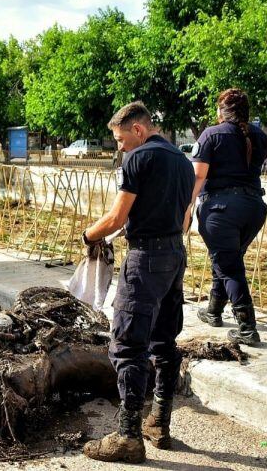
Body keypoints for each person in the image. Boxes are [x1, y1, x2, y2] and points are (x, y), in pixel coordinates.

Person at [81, 102, 194, 463]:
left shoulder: (138, 159)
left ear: (139, 130)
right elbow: (186, 217)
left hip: (145, 259)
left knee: (129, 344)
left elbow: (116, 217)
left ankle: (128, 436)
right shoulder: (182, 161)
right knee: (165, 340)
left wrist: (88, 235)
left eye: (120, 138)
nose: (119, 146)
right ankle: (159, 422)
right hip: (175, 255)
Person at [189, 88, 267, 346]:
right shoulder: (260, 136)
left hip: (221, 211)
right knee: (226, 259)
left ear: (221, 111)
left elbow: (198, 177)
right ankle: (213, 311)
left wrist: (186, 208)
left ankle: (247, 328)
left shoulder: (211, 134)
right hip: (254, 208)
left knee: (230, 266)